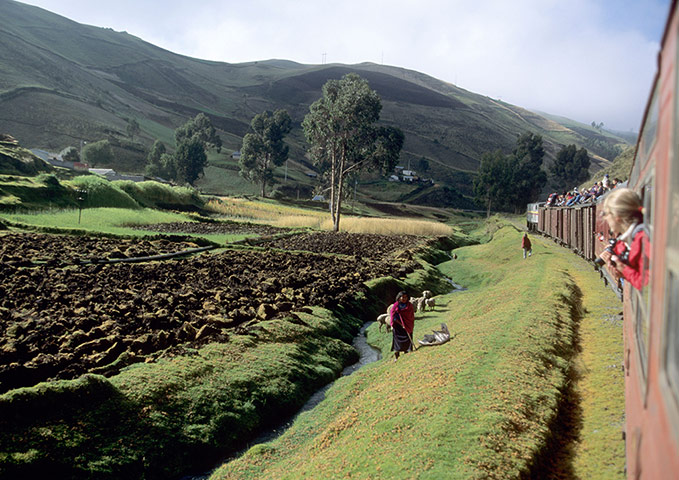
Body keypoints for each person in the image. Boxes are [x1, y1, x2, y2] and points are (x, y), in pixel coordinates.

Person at [598, 188, 649, 290]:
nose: (604, 218)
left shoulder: (643, 239)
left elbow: (647, 286)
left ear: (617, 216)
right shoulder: (629, 238)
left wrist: (623, 268)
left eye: (606, 214)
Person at [389, 291, 415, 361]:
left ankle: (406, 351)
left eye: (405, 297)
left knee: (407, 338)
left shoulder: (409, 305)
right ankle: (396, 356)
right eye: (402, 297)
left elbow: (411, 316)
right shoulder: (396, 306)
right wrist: (400, 323)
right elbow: (393, 316)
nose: (404, 299)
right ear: (399, 298)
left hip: (407, 325)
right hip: (398, 326)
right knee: (397, 342)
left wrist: (406, 323)